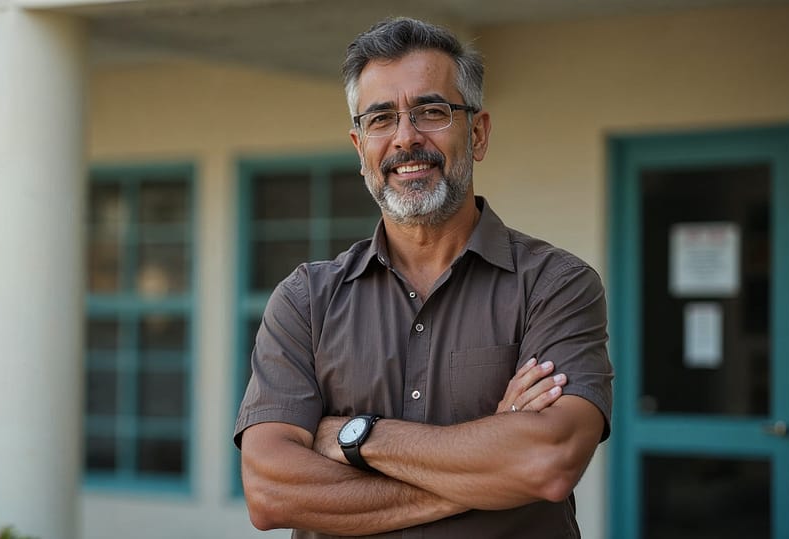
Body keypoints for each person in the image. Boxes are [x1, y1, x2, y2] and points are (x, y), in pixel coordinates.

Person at [234, 16, 613, 538]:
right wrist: (487, 466)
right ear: (359, 148)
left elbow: (544, 462)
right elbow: (271, 493)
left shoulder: (555, 285)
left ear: (476, 133)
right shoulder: (305, 300)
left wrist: (355, 437)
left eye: (431, 111)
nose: (406, 139)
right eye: (381, 118)